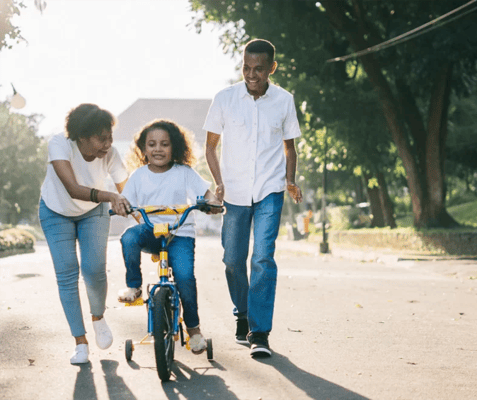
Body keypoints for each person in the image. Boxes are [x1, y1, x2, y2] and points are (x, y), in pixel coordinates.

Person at [203, 38, 303, 358]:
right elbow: (210, 146)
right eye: (246, 67)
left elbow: (289, 147)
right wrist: (218, 183)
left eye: (259, 69)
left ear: (272, 68)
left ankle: (259, 332)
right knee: (233, 260)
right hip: (234, 192)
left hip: (270, 191)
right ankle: (242, 314)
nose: (251, 74)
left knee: (262, 257)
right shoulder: (224, 98)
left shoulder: (284, 100)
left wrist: (289, 180)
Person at [38, 103, 132, 365]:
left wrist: (142, 215)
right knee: (67, 272)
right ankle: (80, 342)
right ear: (81, 136)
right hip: (56, 210)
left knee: (94, 269)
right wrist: (110, 196)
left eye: (110, 137)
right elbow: (72, 188)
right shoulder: (60, 145)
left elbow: (128, 190)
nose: (108, 144)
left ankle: (98, 317)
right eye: (101, 138)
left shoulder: (110, 154)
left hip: (93, 212)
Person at [117, 119, 221, 354]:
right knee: (128, 238)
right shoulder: (138, 176)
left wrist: (212, 202)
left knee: (184, 277)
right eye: (151, 144)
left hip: (180, 234)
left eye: (164, 144)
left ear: (174, 147)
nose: (158, 149)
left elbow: (206, 193)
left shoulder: (184, 172)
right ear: (143, 149)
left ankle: (194, 330)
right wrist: (122, 206)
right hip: (151, 232)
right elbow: (127, 201)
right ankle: (134, 286)